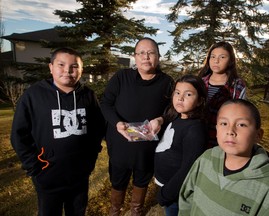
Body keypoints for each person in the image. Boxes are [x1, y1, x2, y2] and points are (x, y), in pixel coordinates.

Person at [10, 47, 105, 216]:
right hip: (48, 175)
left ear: (81, 70)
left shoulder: (88, 95)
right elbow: (19, 135)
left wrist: (90, 159)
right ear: (50, 67)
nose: (68, 70)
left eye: (74, 66)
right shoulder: (33, 95)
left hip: (79, 175)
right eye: (61, 64)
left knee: (77, 212)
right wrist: (34, 166)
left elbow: (97, 128)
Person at [100, 37, 174, 216]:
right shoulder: (122, 77)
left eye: (151, 53)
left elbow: (174, 109)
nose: (146, 57)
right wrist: (117, 123)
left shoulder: (167, 82)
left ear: (158, 56)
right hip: (120, 142)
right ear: (135, 57)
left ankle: (136, 210)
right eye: (141, 53)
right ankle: (115, 210)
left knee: (142, 180)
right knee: (118, 181)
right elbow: (105, 103)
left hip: (147, 147)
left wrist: (161, 120)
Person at [178, 99, 269, 216]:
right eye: (224, 123)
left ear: (258, 135)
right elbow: (187, 198)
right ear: (216, 130)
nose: (230, 131)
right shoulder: (206, 158)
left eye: (241, 125)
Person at [154, 74, 207, 216]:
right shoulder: (177, 116)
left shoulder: (194, 130)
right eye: (177, 92)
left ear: (200, 101)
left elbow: (188, 169)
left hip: (175, 193)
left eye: (188, 94)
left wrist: (165, 194)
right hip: (165, 184)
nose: (180, 98)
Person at [198, 41, 246, 148]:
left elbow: (241, 115)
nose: (216, 61)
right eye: (213, 56)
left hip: (221, 139)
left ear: (230, 60)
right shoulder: (200, 82)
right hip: (197, 134)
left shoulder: (237, 86)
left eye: (222, 57)